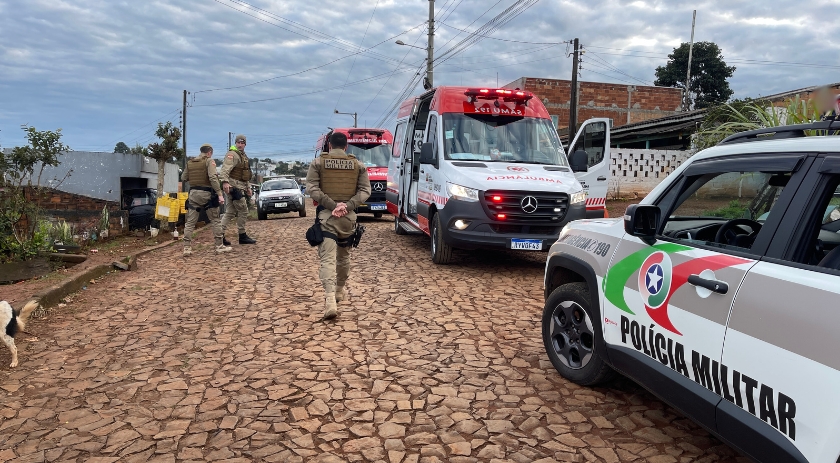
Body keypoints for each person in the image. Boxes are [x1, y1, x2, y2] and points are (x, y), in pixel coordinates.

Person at [306, 132, 371, 319]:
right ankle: (339, 290)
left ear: (329, 146)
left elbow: (311, 188)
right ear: (346, 147)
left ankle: (330, 301)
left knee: (327, 259)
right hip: (348, 219)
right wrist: (347, 206)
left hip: (327, 217)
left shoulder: (318, 163)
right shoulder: (358, 165)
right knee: (343, 257)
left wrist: (333, 206)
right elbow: (365, 190)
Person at [181, 144, 232, 256]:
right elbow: (213, 178)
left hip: (193, 194)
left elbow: (183, 178)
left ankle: (187, 248)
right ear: (209, 152)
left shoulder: (190, 162)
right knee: (215, 220)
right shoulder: (209, 161)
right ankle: (219, 246)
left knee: (190, 222)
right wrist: (219, 194)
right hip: (207, 194)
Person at [220, 134, 257, 245]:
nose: (240, 145)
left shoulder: (243, 156)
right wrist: (225, 182)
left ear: (245, 144)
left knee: (230, 212)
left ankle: (219, 235)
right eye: (238, 143)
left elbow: (244, 174)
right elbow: (225, 169)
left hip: (239, 186)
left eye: (242, 143)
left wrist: (248, 187)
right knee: (243, 211)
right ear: (235, 143)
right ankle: (242, 235)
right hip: (233, 187)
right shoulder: (232, 154)